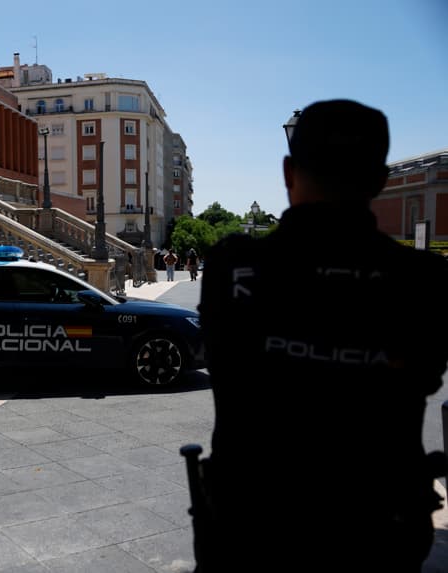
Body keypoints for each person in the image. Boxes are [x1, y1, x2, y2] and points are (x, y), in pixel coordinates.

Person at [196, 100, 448, 572]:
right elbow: (425, 374)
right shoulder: (424, 278)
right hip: (378, 534)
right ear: (379, 181)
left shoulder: (233, 265)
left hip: (253, 534)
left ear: (289, 172)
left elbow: (226, 360)